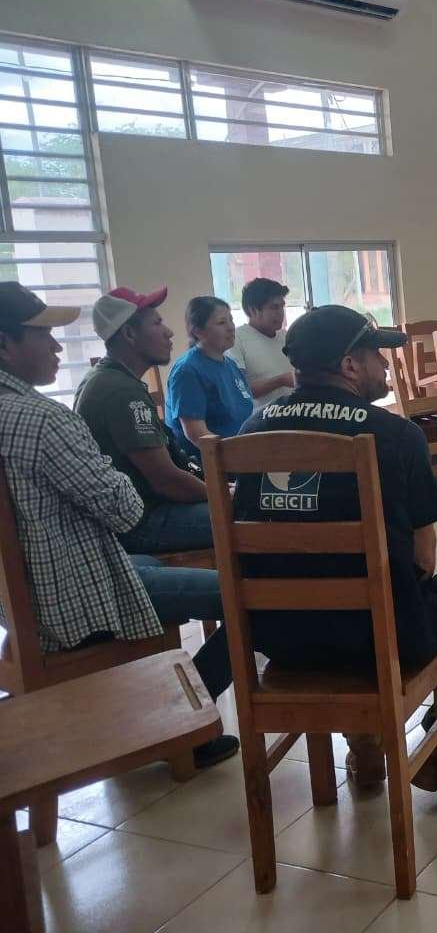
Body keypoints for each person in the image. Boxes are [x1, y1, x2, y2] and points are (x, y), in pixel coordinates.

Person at [235, 305, 437, 791]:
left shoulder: (250, 432)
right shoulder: (394, 434)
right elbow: (422, 559)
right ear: (349, 365)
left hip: (277, 634)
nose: (387, 366)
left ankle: (366, 747)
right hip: (379, 636)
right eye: (377, 355)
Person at [0, 282, 237, 767]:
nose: (57, 345)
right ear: (5, 344)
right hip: (78, 597)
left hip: (22, 600)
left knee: (159, 560)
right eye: (43, 334)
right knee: (250, 595)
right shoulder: (42, 419)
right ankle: (182, 724)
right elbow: (127, 509)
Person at [75, 287, 212, 554]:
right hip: (146, 521)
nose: (169, 332)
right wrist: (220, 494)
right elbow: (166, 481)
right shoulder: (121, 391)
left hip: (144, 513)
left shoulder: (107, 378)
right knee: (255, 514)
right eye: (157, 323)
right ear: (129, 334)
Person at [166, 296, 253, 462]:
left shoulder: (230, 364)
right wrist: (239, 458)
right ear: (198, 331)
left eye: (231, 320)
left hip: (242, 454)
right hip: (212, 463)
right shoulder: (188, 370)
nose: (231, 327)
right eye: (221, 323)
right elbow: (196, 434)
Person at [225, 277, 295, 412]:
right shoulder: (236, 339)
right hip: (259, 423)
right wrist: (281, 380)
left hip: (293, 414)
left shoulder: (287, 337)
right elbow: (239, 391)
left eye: (282, 306)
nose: (281, 313)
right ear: (252, 310)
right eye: (274, 307)